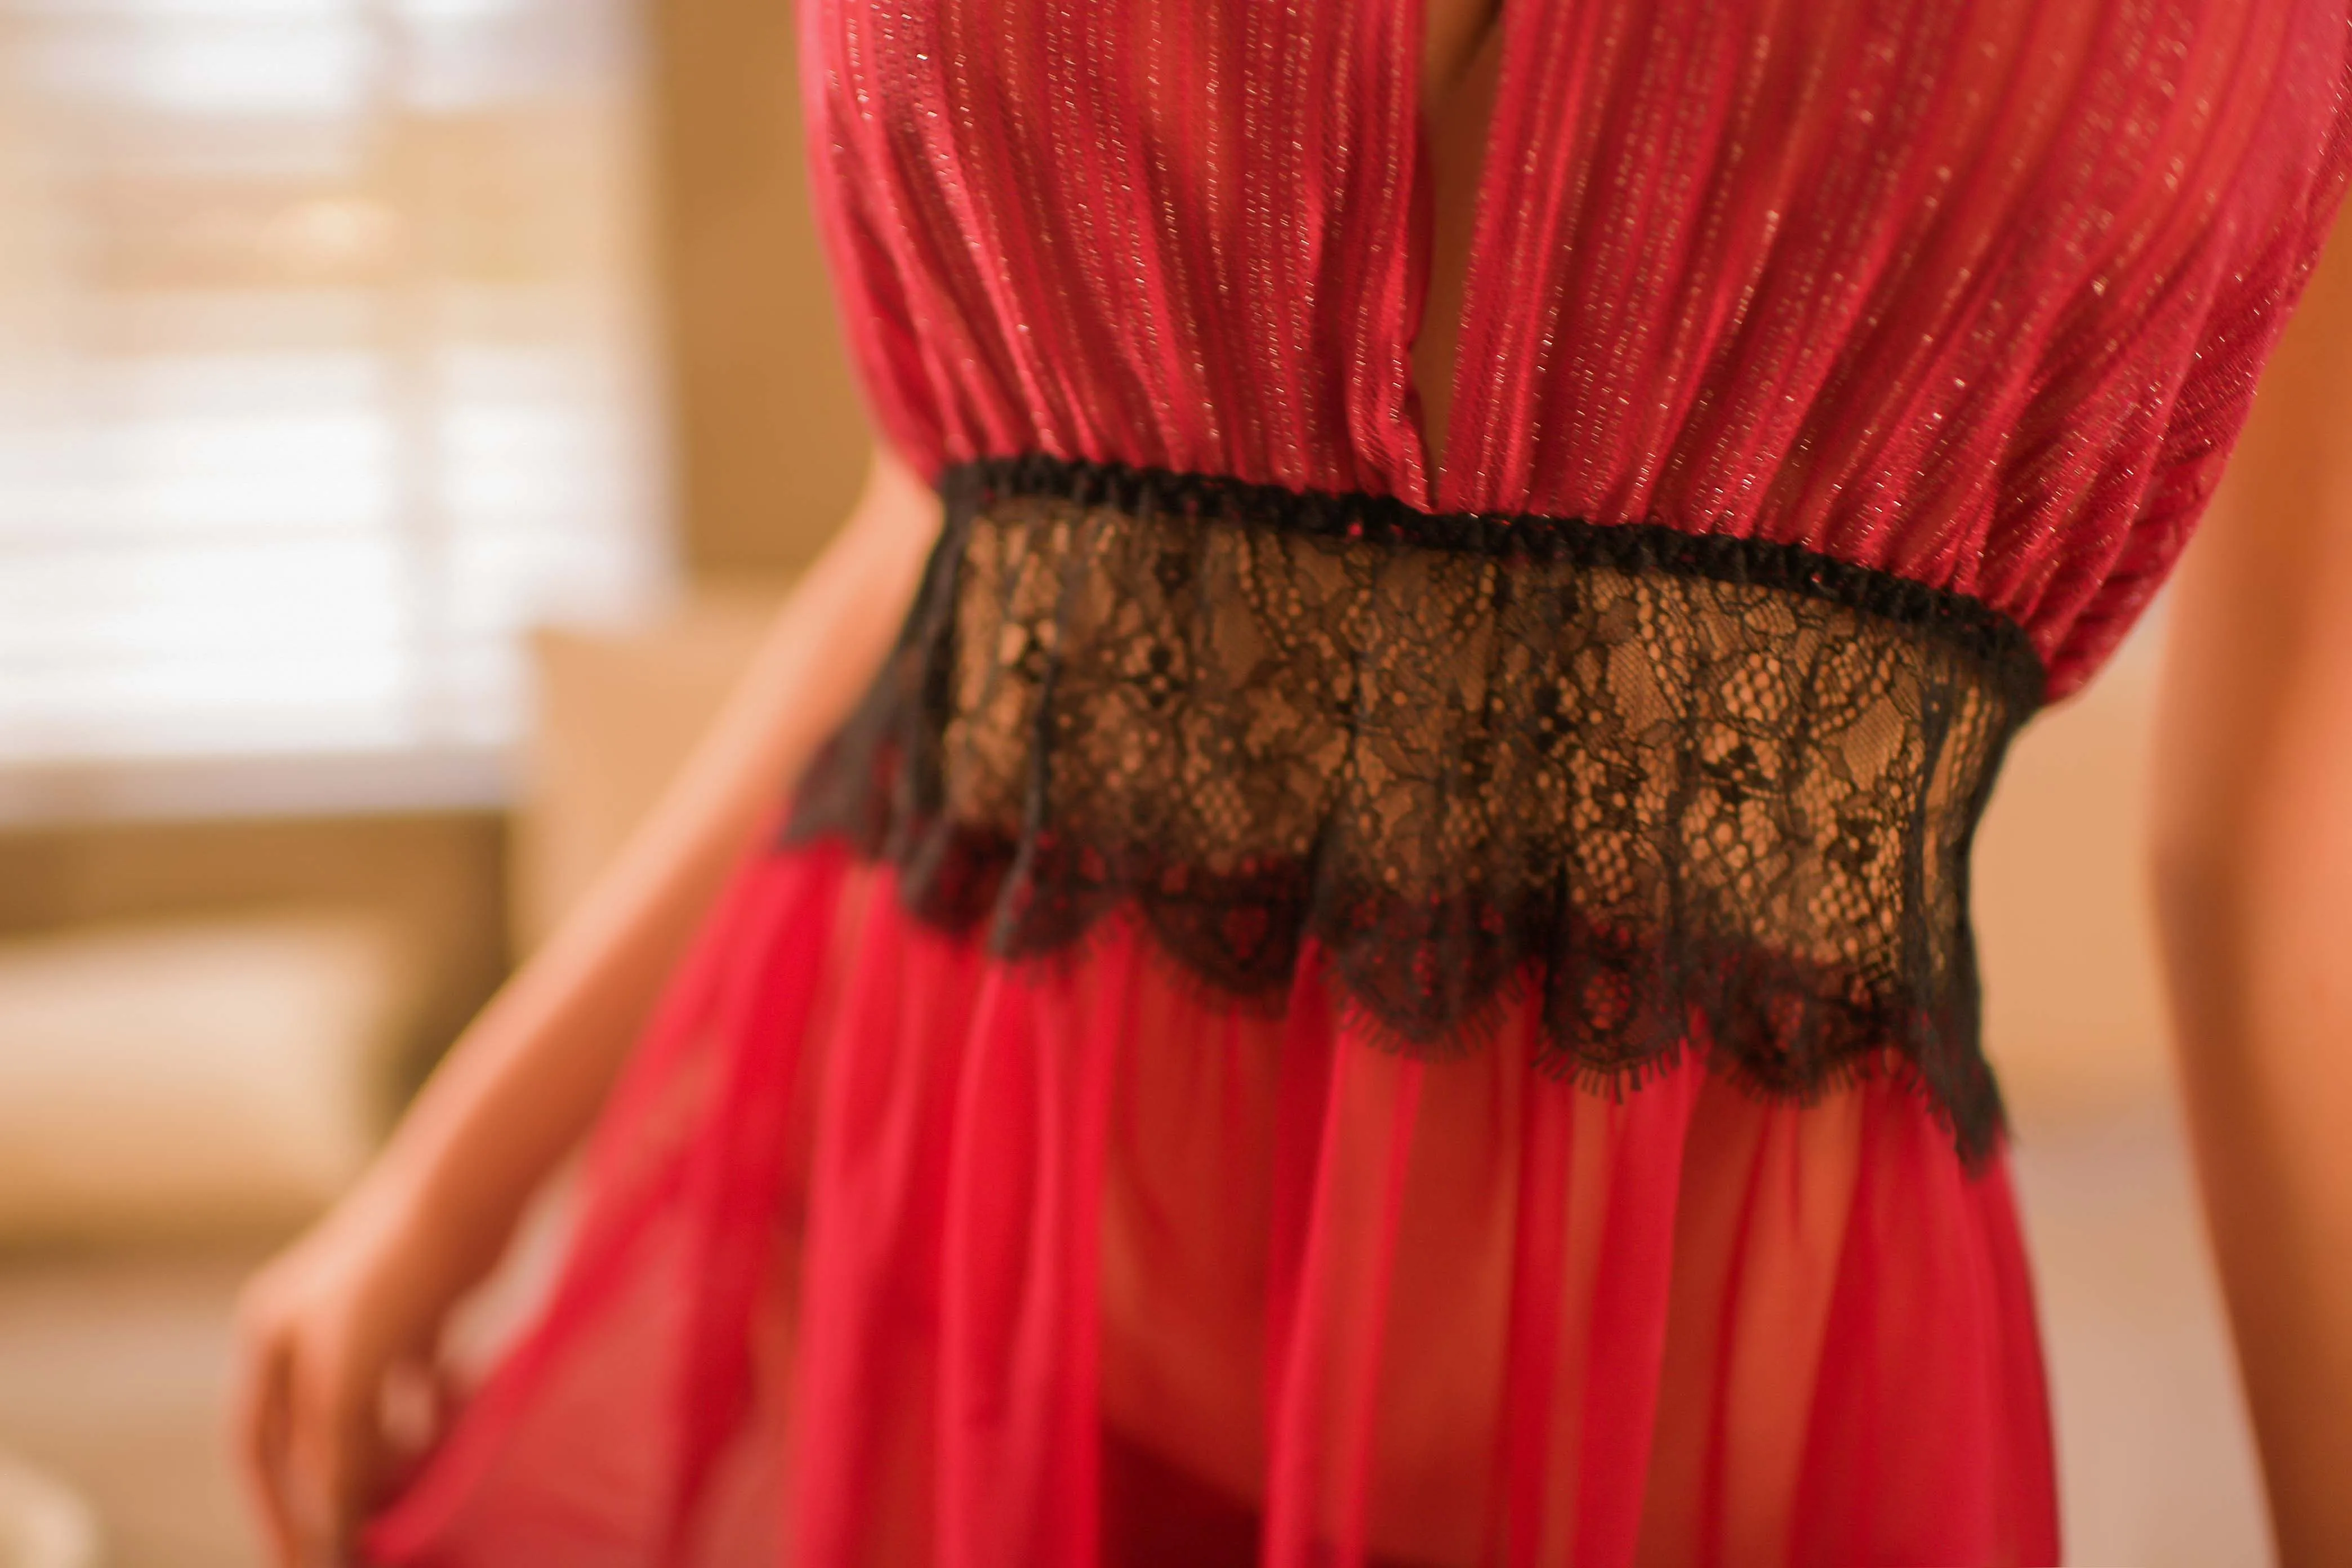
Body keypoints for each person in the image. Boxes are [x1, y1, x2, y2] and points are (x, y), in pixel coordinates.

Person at [233, 1, 2352, 1563]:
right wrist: (458, 1174)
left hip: (1701, 1449)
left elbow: (2284, 833)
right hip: (967, 1322)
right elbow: (981, 509)